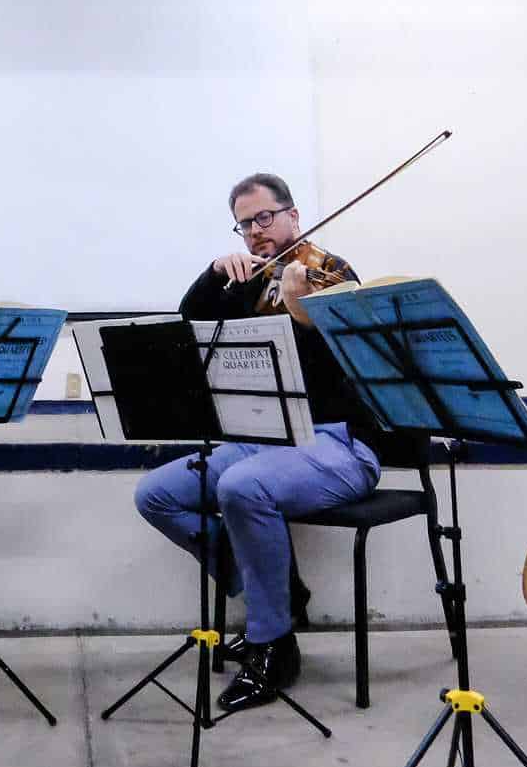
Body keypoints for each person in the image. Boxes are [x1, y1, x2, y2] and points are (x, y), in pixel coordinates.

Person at [134, 173, 385, 713]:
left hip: (341, 444)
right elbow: (189, 326)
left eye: (264, 218)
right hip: (269, 440)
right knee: (155, 493)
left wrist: (301, 311)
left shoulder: (329, 274)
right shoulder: (251, 283)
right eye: (245, 224)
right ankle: (276, 592)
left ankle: (274, 644)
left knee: (242, 487)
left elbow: (350, 362)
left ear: (293, 216)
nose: (255, 232)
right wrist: (212, 276)